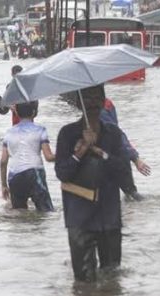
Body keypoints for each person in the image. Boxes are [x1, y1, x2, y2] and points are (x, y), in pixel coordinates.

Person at [54, 84, 130, 282]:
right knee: (83, 284)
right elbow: (62, 173)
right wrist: (81, 151)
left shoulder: (113, 133)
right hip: (80, 219)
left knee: (112, 280)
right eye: (87, 98)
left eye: (97, 97)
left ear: (104, 101)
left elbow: (123, 169)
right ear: (79, 103)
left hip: (109, 217)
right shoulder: (67, 134)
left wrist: (100, 152)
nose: (92, 102)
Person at [0, 101, 55, 211]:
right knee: (46, 212)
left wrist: (4, 185)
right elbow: (49, 157)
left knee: (20, 214)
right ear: (34, 112)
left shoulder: (9, 133)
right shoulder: (40, 130)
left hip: (15, 177)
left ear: (17, 112)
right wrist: (68, 153)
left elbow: (3, 161)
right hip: (35, 173)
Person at [100, 98, 151, 201]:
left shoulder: (100, 110)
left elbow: (117, 134)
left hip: (114, 156)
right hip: (116, 155)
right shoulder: (107, 103)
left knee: (131, 196)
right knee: (130, 196)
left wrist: (135, 158)